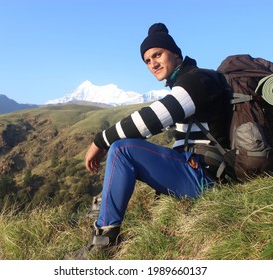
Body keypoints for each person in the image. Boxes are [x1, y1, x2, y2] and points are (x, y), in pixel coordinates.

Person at [84, 23, 230, 250]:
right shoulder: (188, 83)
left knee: (122, 149)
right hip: (198, 172)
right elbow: (150, 129)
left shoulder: (197, 81)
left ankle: (104, 240)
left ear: (176, 54)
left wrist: (100, 141)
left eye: (157, 55)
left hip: (207, 179)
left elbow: (149, 120)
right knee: (132, 146)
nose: (153, 64)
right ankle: (103, 206)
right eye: (147, 61)